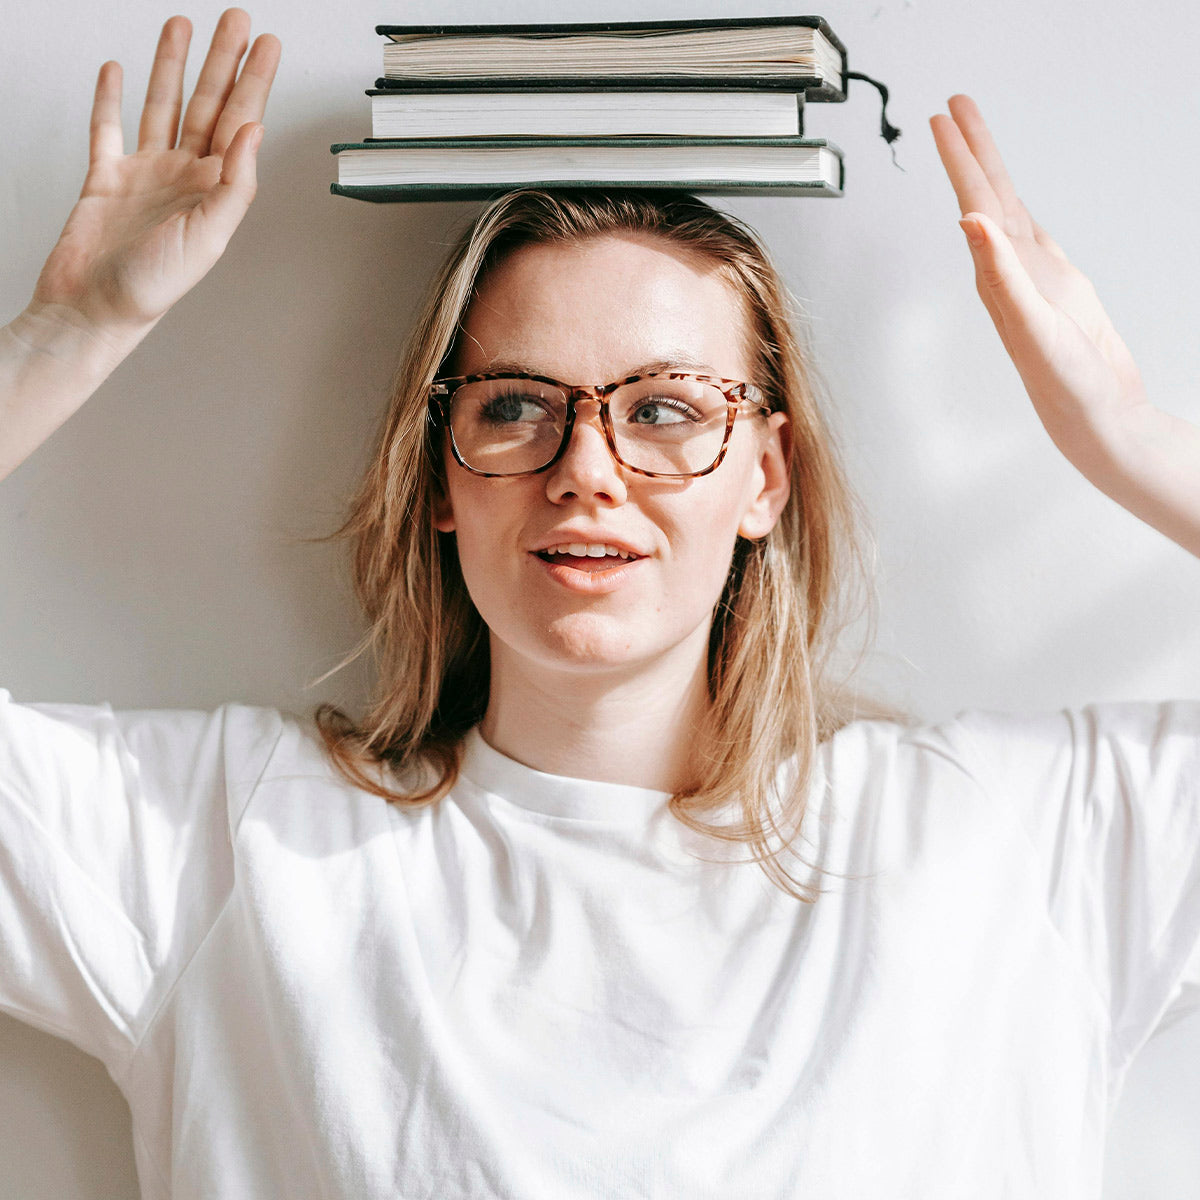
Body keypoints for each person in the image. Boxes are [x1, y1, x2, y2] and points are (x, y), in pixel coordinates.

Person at [2, 9, 1198, 1199]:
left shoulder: (1023, 843)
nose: (586, 467)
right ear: (438, 482)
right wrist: (66, 332)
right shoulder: (224, 845)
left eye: (666, 409)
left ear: (765, 478)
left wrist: (1126, 437)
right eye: (516, 405)